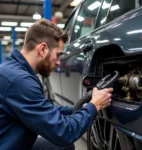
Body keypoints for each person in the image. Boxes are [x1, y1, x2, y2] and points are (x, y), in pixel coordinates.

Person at [0, 19, 112, 150]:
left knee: (63, 147)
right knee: (63, 143)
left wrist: (81, 108)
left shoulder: (13, 70)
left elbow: (44, 109)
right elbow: (63, 133)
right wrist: (94, 106)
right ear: (43, 49)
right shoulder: (19, 81)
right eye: (58, 55)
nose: (59, 62)